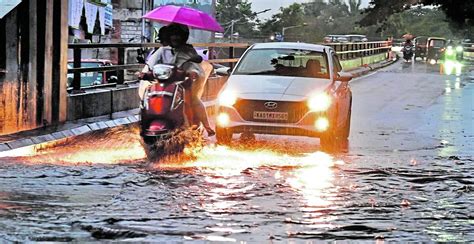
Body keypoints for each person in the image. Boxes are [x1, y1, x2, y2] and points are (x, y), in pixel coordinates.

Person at [167, 23, 215, 137]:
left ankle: (207, 126)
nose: (175, 38)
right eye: (172, 35)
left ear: (183, 37)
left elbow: (196, 60)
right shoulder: (166, 50)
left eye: (178, 35)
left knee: (193, 99)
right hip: (173, 79)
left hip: (191, 77)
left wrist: (192, 71)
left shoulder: (188, 49)